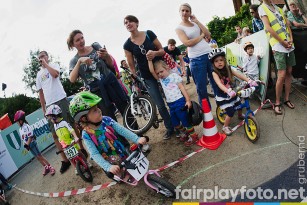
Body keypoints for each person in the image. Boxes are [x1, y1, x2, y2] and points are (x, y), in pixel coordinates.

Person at [69, 91, 147, 177]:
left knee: (132, 166)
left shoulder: (106, 120)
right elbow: (94, 153)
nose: (99, 110)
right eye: (94, 110)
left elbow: (122, 130)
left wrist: (136, 139)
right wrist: (108, 167)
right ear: (84, 118)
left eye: (97, 107)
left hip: (120, 150)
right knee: (121, 175)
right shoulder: (86, 135)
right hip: (110, 161)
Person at [123, 15, 174, 140]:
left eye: (130, 21)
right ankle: (170, 127)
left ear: (136, 23)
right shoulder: (127, 45)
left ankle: (179, 123)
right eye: (125, 23)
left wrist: (155, 53)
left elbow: (162, 50)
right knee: (160, 104)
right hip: (147, 76)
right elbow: (131, 64)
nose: (128, 24)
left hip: (162, 72)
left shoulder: (149, 33)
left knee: (171, 98)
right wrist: (134, 77)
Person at [36, 51, 85, 173]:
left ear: (47, 56)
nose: (41, 58)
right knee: (54, 133)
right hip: (50, 106)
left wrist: (46, 64)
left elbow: (55, 74)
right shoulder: (38, 75)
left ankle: (82, 148)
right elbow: (40, 93)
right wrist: (44, 108)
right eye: (40, 57)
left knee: (71, 124)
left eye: (43, 56)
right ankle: (65, 160)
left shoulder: (54, 65)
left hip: (61, 100)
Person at [68, 30, 130, 122]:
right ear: (73, 44)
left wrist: (107, 55)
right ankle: (117, 137)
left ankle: (136, 133)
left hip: (110, 81)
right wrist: (80, 61)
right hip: (97, 91)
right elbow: (72, 79)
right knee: (108, 118)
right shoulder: (74, 60)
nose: (81, 41)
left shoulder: (95, 46)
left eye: (82, 38)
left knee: (125, 108)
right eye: (77, 40)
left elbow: (110, 64)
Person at [148, 58, 199, 146]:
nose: (160, 74)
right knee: (175, 123)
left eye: (161, 71)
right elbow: (152, 71)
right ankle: (186, 132)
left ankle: (194, 136)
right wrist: (149, 60)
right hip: (171, 104)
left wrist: (188, 100)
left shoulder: (174, 76)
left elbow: (182, 88)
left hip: (179, 102)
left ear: (167, 68)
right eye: (158, 73)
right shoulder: (161, 79)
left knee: (185, 121)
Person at [176, 3, 218, 107]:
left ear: (190, 13)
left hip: (209, 55)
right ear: (179, 12)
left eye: (187, 11)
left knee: (216, 82)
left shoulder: (195, 24)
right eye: (183, 10)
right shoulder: (179, 28)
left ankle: (223, 106)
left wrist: (197, 21)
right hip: (196, 59)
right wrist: (201, 36)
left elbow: (208, 34)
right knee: (202, 88)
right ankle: (206, 114)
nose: (185, 12)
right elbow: (187, 43)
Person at [208, 49, 258, 135]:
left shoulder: (228, 68)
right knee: (230, 111)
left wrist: (249, 80)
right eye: (216, 61)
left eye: (221, 60)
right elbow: (219, 84)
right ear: (213, 63)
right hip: (223, 95)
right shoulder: (214, 73)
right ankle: (225, 127)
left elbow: (239, 74)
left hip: (232, 92)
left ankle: (239, 115)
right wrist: (227, 91)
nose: (219, 62)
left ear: (224, 60)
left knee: (239, 103)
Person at [259, 0, 296, 114]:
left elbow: (287, 25)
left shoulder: (279, 9)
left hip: (288, 44)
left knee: (289, 72)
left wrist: (291, 39)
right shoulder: (262, 8)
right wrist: (282, 42)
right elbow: (268, 28)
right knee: (281, 74)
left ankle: (286, 99)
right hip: (278, 45)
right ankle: (277, 102)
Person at [45, 105, 92, 175]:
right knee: (70, 157)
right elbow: (59, 135)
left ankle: (86, 162)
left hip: (71, 142)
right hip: (65, 144)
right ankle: (76, 167)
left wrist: (75, 137)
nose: (51, 120)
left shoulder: (64, 123)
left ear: (55, 116)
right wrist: (61, 143)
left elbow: (71, 130)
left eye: (51, 118)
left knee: (79, 152)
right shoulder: (55, 126)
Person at [14, 110, 56, 176]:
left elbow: (30, 136)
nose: (17, 123)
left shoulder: (26, 126)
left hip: (32, 144)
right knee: (37, 158)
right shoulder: (20, 129)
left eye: (17, 121)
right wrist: (25, 145)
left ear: (21, 120)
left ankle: (51, 167)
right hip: (28, 146)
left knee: (40, 156)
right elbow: (23, 138)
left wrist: (27, 144)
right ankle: (46, 167)